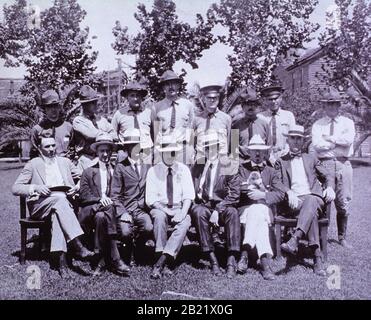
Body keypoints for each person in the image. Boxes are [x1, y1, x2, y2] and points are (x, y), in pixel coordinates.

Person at [12, 136, 94, 278]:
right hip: (41, 205)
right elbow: (16, 187)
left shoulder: (65, 162)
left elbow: (84, 176)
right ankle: (78, 245)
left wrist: (77, 187)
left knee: (58, 213)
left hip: (63, 204)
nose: (51, 150)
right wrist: (36, 187)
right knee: (60, 202)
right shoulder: (33, 164)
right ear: (39, 149)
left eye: (53, 146)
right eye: (47, 147)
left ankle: (61, 263)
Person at [275, 125, 336, 276]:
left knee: (311, 200)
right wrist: (289, 192)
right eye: (293, 138)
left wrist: (329, 187)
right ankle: (317, 258)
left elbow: (328, 175)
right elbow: (276, 182)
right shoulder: (280, 161)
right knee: (312, 214)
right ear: (288, 140)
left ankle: (295, 238)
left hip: (314, 197)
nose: (296, 141)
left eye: (299, 139)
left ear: (303, 141)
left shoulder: (311, 158)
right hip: (294, 202)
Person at [78, 132, 130, 276]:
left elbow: (121, 192)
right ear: (96, 151)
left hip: (105, 212)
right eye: (102, 151)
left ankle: (100, 259)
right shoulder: (89, 171)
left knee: (102, 217)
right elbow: (84, 195)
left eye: (108, 151)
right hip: (90, 209)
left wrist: (111, 203)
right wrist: (99, 199)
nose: (105, 154)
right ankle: (115, 258)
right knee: (105, 209)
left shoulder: (117, 170)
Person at [234, 135, 285, 280]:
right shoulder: (241, 168)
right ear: (249, 152)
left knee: (259, 211)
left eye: (260, 151)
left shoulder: (271, 170)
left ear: (265, 153)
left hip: (264, 208)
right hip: (245, 209)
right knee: (258, 215)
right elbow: (235, 188)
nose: (257, 154)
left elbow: (280, 194)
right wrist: (250, 190)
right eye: (254, 151)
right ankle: (265, 264)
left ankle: (245, 252)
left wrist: (262, 195)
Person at [191, 133, 241, 277]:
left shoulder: (228, 164)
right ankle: (213, 260)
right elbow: (192, 187)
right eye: (207, 148)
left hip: (223, 204)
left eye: (213, 147)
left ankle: (231, 261)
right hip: (204, 204)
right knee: (199, 213)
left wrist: (218, 209)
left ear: (219, 148)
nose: (210, 151)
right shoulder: (199, 166)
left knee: (233, 213)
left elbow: (235, 194)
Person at [145, 135, 195, 279]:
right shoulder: (153, 171)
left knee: (185, 222)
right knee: (160, 218)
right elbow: (151, 199)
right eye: (168, 152)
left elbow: (188, 196)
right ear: (161, 153)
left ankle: (161, 261)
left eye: (174, 152)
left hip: (179, 207)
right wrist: (167, 211)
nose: (171, 155)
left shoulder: (183, 169)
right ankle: (161, 253)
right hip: (160, 207)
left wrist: (182, 212)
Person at [311, 89, 355, 249]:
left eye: (334, 103)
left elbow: (349, 140)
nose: (331, 107)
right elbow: (317, 145)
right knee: (322, 199)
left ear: (339, 105)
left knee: (343, 202)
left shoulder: (347, 123)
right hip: (324, 165)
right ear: (324, 106)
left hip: (343, 164)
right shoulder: (318, 124)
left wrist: (330, 140)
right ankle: (320, 236)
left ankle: (342, 236)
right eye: (328, 104)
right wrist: (336, 143)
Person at [111, 129, 154, 265]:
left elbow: (152, 189)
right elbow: (114, 195)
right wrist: (122, 212)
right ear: (126, 148)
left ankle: (139, 248)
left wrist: (144, 204)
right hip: (126, 209)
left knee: (148, 226)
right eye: (130, 146)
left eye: (136, 145)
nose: (134, 148)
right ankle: (127, 250)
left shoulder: (148, 165)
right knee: (125, 232)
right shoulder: (120, 167)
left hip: (142, 208)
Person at [153, 70, 195, 165]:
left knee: (183, 176)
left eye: (174, 84)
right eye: (167, 84)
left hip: (182, 149)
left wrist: (190, 150)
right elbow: (156, 134)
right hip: (164, 149)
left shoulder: (188, 105)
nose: (171, 87)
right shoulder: (157, 107)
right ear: (163, 87)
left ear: (179, 86)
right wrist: (156, 153)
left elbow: (191, 129)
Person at [72, 85, 115, 171]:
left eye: (96, 102)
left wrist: (105, 134)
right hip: (87, 159)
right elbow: (93, 135)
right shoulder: (78, 121)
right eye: (92, 103)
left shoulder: (101, 119)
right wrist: (106, 134)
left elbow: (114, 135)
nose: (96, 105)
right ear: (84, 105)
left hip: (104, 157)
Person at [111, 81, 155, 164]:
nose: (135, 98)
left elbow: (155, 135)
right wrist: (119, 152)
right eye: (132, 95)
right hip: (126, 153)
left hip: (145, 153)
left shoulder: (149, 113)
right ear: (127, 97)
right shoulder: (119, 114)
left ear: (142, 97)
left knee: (146, 175)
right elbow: (113, 135)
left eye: (138, 95)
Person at [193, 84, 231, 161]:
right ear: (203, 99)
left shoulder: (227, 118)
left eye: (215, 98)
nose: (212, 100)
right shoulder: (196, 119)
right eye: (209, 97)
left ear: (218, 98)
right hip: (201, 162)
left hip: (221, 163)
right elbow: (191, 144)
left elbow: (231, 144)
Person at [258, 83, 296, 163]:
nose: (273, 101)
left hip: (285, 155)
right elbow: (259, 139)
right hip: (266, 157)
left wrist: (286, 151)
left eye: (276, 98)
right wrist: (269, 157)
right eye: (270, 99)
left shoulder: (288, 115)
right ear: (266, 100)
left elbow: (293, 137)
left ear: (281, 98)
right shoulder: (260, 117)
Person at [30, 90, 73, 158]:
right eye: (49, 106)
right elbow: (33, 155)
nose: (53, 109)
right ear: (44, 109)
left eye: (55, 106)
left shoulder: (68, 127)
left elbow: (73, 149)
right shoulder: (37, 130)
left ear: (59, 107)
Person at [232, 89, 271, 160]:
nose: (251, 107)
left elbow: (268, 147)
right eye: (247, 104)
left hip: (260, 163)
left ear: (257, 106)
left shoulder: (264, 124)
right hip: (241, 163)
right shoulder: (236, 125)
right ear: (242, 106)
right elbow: (234, 150)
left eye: (253, 104)